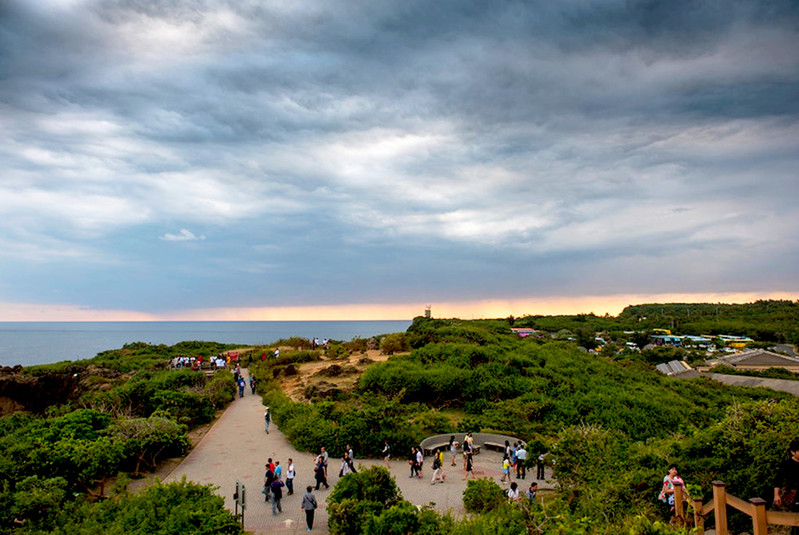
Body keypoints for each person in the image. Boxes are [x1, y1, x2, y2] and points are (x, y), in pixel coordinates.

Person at [773, 439, 799, 535]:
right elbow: (778, 480)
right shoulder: (786, 464)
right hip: (794, 494)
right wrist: (776, 495)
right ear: (793, 452)